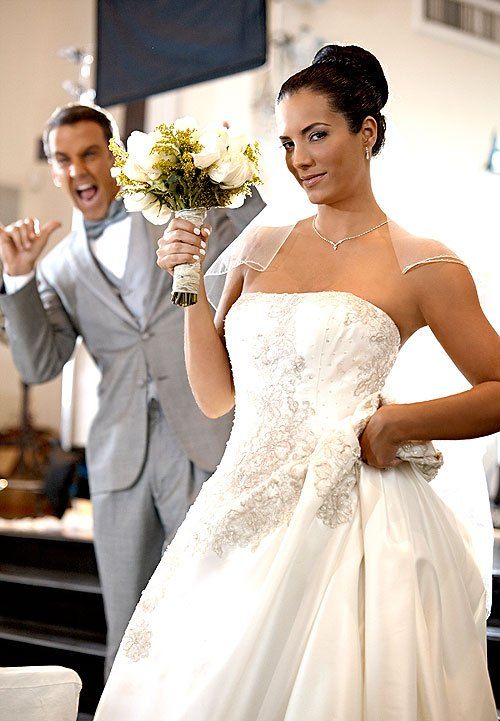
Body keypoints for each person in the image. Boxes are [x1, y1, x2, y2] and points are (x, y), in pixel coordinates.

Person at [94, 45, 500, 720]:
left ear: (366, 131)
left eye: (317, 135)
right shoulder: (260, 246)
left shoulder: (426, 266)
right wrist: (186, 280)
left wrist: (400, 423)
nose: (299, 158)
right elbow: (217, 394)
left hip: (353, 524)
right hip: (238, 510)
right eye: (287, 141)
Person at [0, 103, 265, 675]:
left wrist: (224, 173)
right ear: (53, 171)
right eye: (62, 160)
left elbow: (260, 244)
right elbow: (41, 363)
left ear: (115, 157)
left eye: (90, 153)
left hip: (205, 438)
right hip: (119, 464)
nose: (78, 171)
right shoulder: (58, 266)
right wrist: (19, 277)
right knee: (129, 627)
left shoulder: (181, 216)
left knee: (210, 613)